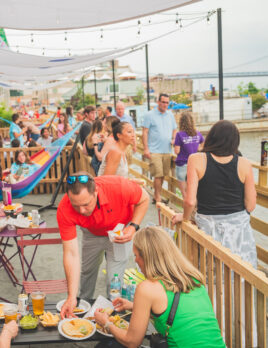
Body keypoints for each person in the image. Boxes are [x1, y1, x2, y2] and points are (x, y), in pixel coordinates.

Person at [94, 226, 225, 347]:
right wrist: (134, 306)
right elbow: (178, 315)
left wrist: (106, 323)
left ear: (147, 257)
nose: (135, 260)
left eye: (136, 255)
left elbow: (132, 341)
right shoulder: (193, 277)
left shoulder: (147, 288)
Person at [57, 172, 149, 318]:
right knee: (87, 270)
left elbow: (144, 198)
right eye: (76, 205)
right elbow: (71, 254)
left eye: (86, 204)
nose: (81, 211)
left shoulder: (118, 186)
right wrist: (70, 296)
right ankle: (80, 304)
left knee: (114, 278)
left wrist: (133, 227)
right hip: (91, 232)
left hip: (120, 231)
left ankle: (113, 316)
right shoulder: (64, 207)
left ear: (96, 192)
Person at [172, 120, 257, 268]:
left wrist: (185, 218)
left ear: (211, 137)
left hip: (208, 226)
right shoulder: (244, 163)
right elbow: (250, 205)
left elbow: (190, 201)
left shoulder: (197, 159)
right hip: (239, 231)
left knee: (210, 272)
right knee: (240, 274)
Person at [142, 94, 177, 204]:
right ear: (158, 102)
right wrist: (146, 149)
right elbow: (145, 132)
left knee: (163, 175)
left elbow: (175, 130)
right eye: (163, 102)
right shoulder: (149, 115)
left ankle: (157, 195)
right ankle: (157, 197)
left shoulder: (170, 115)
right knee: (158, 175)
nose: (165, 104)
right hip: (154, 150)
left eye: (167, 102)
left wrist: (174, 139)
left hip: (167, 150)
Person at [174, 112, 204, 197]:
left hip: (182, 164)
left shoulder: (179, 135)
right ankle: (195, 209)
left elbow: (177, 151)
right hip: (194, 165)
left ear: (181, 122)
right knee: (194, 191)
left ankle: (187, 210)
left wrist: (174, 144)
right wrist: (198, 149)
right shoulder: (197, 133)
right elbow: (203, 144)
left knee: (184, 193)